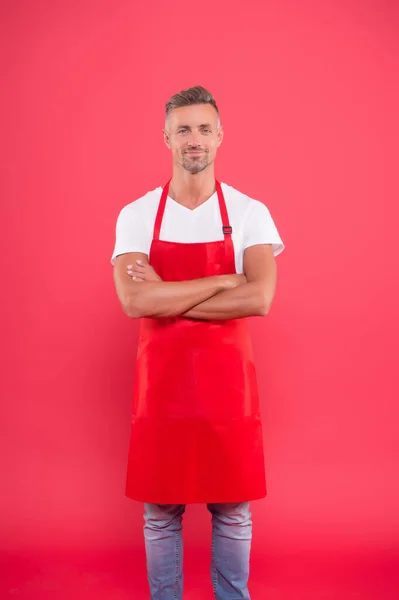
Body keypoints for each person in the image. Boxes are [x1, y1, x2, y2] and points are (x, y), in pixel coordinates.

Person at [111, 85, 285, 600]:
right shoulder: (138, 215)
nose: (195, 139)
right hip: (161, 390)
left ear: (220, 136)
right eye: (183, 129)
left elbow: (261, 298)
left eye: (204, 129)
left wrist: (166, 293)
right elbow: (133, 303)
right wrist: (224, 282)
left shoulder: (251, 213)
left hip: (228, 390)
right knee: (160, 512)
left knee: (233, 511)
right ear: (166, 137)